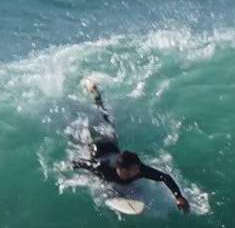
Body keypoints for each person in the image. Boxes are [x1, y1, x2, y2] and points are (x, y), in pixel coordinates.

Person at [74, 81, 191, 212]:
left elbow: (165, 177)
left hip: (111, 141)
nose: (138, 173)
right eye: (134, 170)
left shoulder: (139, 169)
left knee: (105, 117)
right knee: (98, 115)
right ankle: (93, 93)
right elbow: (79, 163)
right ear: (122, 170)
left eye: (137, 169)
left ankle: (96, 95)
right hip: (97, 143)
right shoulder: (102, 168)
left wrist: (178, 196)